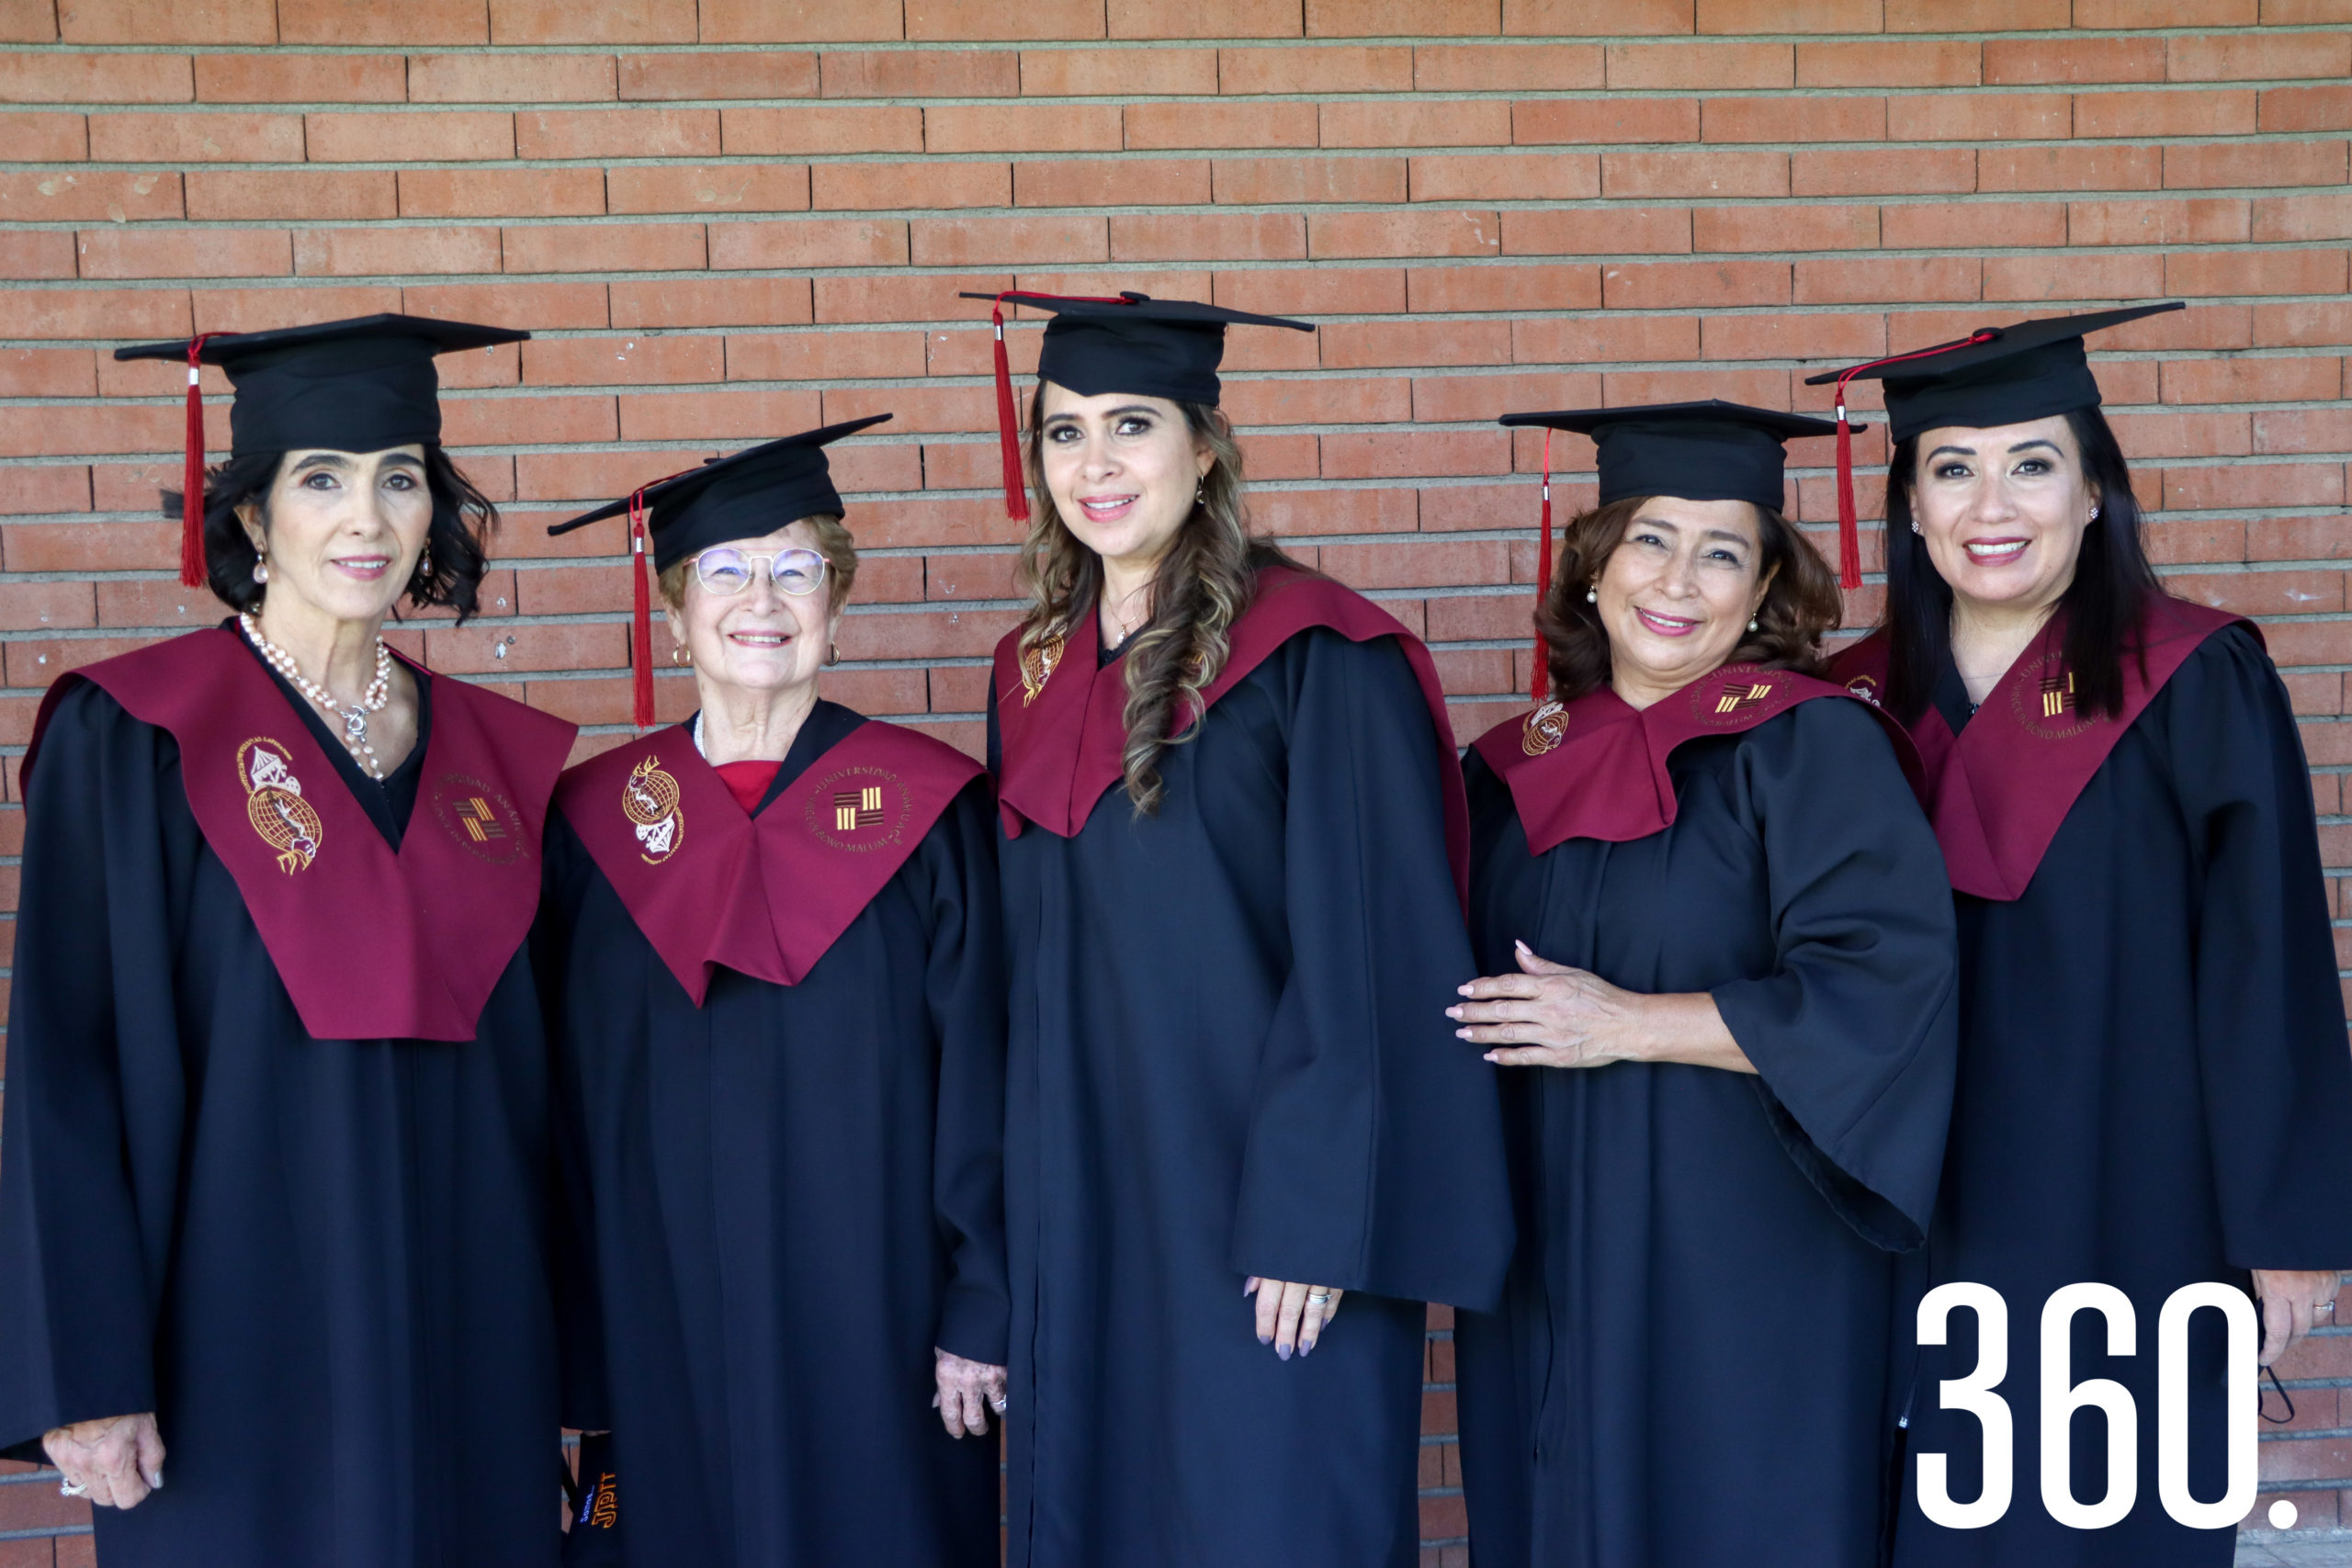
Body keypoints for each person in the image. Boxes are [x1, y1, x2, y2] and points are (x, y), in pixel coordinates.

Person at [0, 314, 578, 1567]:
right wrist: (85, 1365)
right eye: (322, 479)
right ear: (255, 518)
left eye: (401, 479)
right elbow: (65, 1062)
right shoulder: (140, 739)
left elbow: (549, 1093)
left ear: (435, 515)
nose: (366, 518)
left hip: (467, 1323)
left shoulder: (500, 763)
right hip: (229, 1340)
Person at [966, 288, 1511, 1568]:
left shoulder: (1319, 654)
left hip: (1259, 1221)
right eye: (1063, 432)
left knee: (1262, 1510)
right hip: (1087, 1206)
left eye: (1132, 426)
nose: (1093, 465)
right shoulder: (1031, 668)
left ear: (1205, 445)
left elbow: (1375, 958)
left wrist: (1318, 1215)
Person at [1815, 304, 2352, 1566]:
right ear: (1909, 507)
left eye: (2033, 462)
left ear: (2097, 490)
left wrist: (2287, 1229)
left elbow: (2265, 958)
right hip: (1904, 1196)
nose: (1991, 502)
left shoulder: (2192, 674)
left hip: (2133, 1191)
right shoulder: (1845, 701)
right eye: (1952, 467)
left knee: (2113, 1505)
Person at [1449, 401, 1961, 1568]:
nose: (1678, 579)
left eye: (1722, 551)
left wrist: (1624, 1024)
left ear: (1763, 590)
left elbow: (1884, 988)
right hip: (1544, 1239)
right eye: (1649, 539)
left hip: (1743, 1238)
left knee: (1735, 1509)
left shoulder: (1809, 746)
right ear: (1590, 568)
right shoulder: (1505, 767)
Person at [536, 416, 1008, 1567]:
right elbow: (547, 1102)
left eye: (798, 569)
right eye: (728, 572)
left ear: (836, 609)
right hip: (652, 1319)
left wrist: (981, 1310)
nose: (765, 598)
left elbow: (991, 1078)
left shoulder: (928, 814)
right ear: (674, 610)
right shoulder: (593, 826)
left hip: (878, 1314)